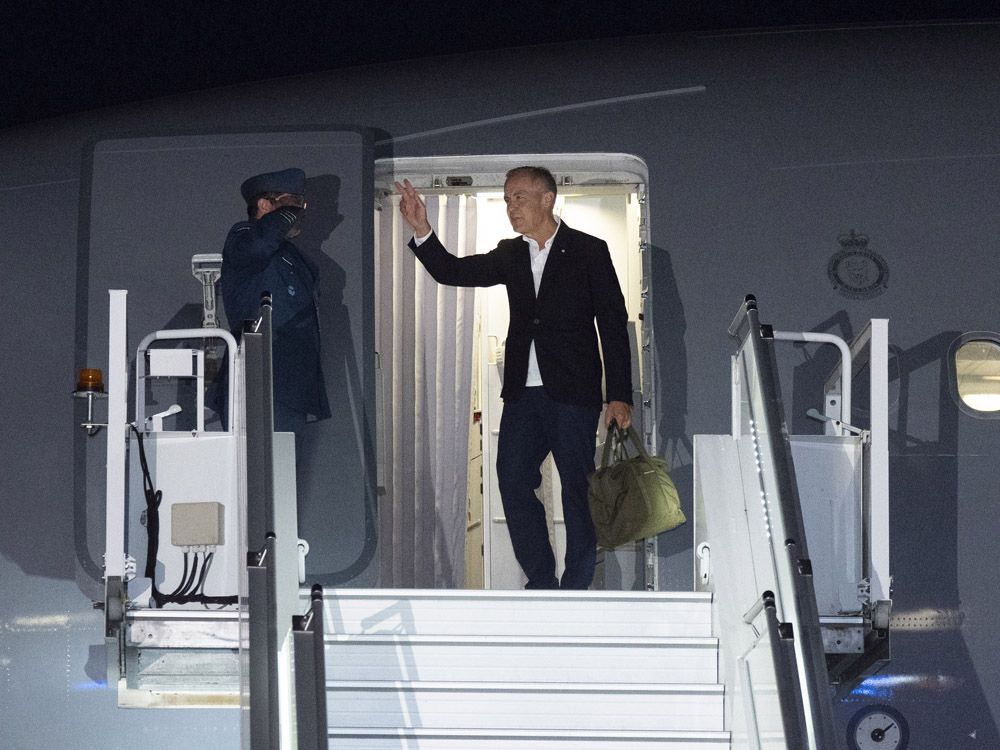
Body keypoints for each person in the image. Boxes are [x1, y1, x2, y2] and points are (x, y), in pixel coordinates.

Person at [395, 166, 633, 589]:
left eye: (519, 197)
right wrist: (422, 228)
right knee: (512, 479)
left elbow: (612, 323)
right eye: (506, 199)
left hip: (574, 393)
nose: (511, 207)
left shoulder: (588, 250)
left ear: (547, 199)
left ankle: (576, 585)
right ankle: (541, 580)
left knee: (579, 490)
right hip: (523, 393)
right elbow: (453, 271)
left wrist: (619, 395)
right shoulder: (510, 252)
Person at [220, 167, 331, 432]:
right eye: (294, 203)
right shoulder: (243, 236)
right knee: (253, 470)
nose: (300, 212)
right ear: (264, 204)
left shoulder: (293, 255)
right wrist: (286, 214)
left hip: (290, 386)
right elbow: (258, 245)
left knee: (284, 469)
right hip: (255, 380)